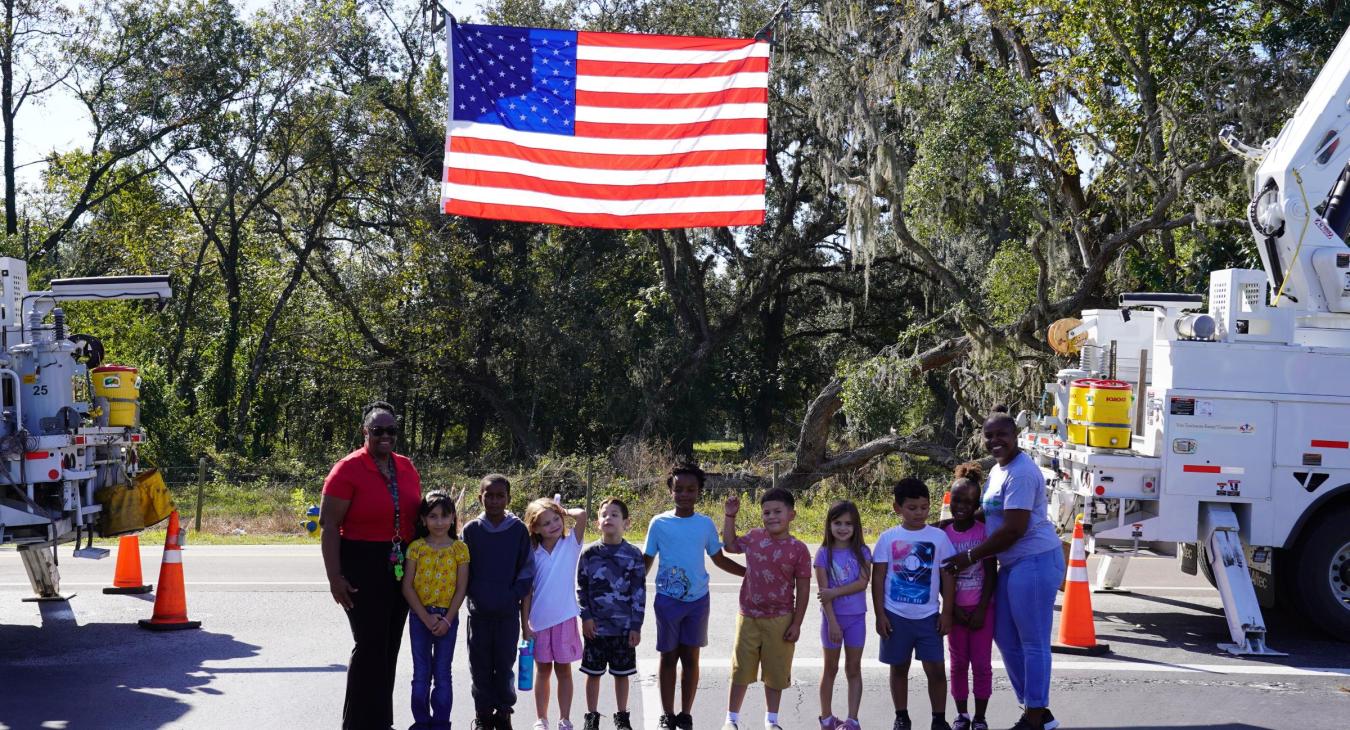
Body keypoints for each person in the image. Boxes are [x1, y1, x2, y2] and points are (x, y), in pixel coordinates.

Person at [942, 412, 1065, 730]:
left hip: (1035, 561)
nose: (995, 440)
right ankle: (1034, 707)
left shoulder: (1021, 473)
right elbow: (990, 512)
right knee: (1005, 636)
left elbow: (1013, 529)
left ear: (1016, 436)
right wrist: (947, 526)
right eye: (989, 435)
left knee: (1033, 641)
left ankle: (1035, 715)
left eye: (1002, 435)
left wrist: (968, 556)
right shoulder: (999, 469)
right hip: (1012, 563)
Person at [321, 401, 423, 730]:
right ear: (365, 432)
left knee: (390, 644)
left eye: (391, 431)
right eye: (378, 431)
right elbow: (328, 526)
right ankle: (356, 725)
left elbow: (418, 517)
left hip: (399, 564)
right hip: (360, 563)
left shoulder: (406, 467)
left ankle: (381, 722)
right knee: (369, 644)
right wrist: (335, 577)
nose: (385, 436)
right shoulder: (347, 469)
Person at [643, 465, 746, 730]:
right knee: (668, 657)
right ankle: (667, 714)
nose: (684, 494)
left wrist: (749, 573)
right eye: (678, 489)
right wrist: (627, 586)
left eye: (690, 490)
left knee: (690, 658)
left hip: (697, 602)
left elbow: (718, 558)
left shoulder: (704, 524)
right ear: (670, 491)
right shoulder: (659, 523)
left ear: (700, 492)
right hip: (667, 600)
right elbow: (645, 561)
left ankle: (685, 713)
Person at [719, 488, 812, 730]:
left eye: (777, 511)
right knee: (740, 671)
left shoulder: (799, 549)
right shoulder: (754, 537)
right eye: (766, 512)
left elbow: (803, 589)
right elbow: (729, 545)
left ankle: (772, 720)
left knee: (776, 674)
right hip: (748, 617)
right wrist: (730, 516)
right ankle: (731, 719)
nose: (771, 516)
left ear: (791, 515)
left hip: (781, 620)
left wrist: (797, 623)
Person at [873, 477, 956, 730]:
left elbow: (948, 577)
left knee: (937, 671)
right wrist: (880, 615)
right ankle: (901, 716)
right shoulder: (888, 538)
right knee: (899, 668)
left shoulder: (939, 538)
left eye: (924, 507)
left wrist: (946, 612)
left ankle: (939, 719)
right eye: (912, 508)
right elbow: (878, 578)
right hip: (895, 616)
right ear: (897, 508)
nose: (919, 513)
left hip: (929, 616)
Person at [464, 474, 536, 730]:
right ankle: (483, 715)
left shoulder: (517, 531)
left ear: (508, 498)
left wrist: (512, 595)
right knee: (480, 667)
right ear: (480, 497)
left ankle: (503, 713)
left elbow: (527, 570)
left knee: (504, 666)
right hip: (479, 614)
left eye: (500, 496)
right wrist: (476, 594)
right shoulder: (471, 530)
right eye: (489, 495)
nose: (494, 501)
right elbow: (464, 571)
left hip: (507, 614)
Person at [402, 490, 471, 730]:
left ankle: (441, 722)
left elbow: (462, 588)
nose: (439, 522)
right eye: (433, 516)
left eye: (444, 516)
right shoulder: (416, 548)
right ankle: (421, 721)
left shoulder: (460, 549)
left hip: (447, 618)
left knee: (442, 673)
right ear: (423, 520)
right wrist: (425, 617)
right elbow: (407, 586)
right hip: (420, 617)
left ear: (453, 518)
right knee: (421, 673)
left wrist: (447, 620)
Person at [577, 498, 646, 730]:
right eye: (604, 514)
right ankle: (591, 716)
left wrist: (636, 625)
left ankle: (622, 716)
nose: (609, 518)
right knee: (593, 673)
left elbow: (639, 591)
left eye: (615, 514)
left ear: (626, 523)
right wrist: (585, 617)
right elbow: (580, 588)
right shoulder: (589, 554)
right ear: (597, 522)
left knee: (621, 674)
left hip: (623, 629)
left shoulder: (634, 554)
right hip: (596, 628)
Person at [522, 497, 588, 730]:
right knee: (543, 671)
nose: (553, 524)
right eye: (546, 522)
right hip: (538, 623)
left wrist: (562, 509)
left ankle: (565, 718)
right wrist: (525, 625)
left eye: (556, 519)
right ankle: (541, 718)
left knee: (564, 671)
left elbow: (581, 515)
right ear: (535, 528)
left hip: (565, 620)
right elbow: (527, 593)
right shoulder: (531, 552)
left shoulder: (571, 544)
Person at [941, 468, 996, 730]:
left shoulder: (983, 532)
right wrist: (952, 610)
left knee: (982, 664)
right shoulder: (943, 534)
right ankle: (961, 715)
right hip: (955, 611)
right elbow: (941, 578)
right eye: (957, 500)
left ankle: (980, 717)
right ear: (949, 500)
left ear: (976, 505)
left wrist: (982, 609)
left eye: (968, 502)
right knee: (958, 663)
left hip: (982, 610)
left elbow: (990, 572)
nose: (961, 506)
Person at [815, 501, 872, 730]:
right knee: (830, 668)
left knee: (853, 668)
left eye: (848, 523)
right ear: (829, 525)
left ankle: (852, 719)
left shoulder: (863, 552)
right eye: (837, 523)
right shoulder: (823, 554)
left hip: (856, 618)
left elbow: (862, 582)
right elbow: (823, 595)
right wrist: (833, 623)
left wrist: (835, 592)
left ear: (856, 526)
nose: (842, 528)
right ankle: (827, 718)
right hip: (832, 621)